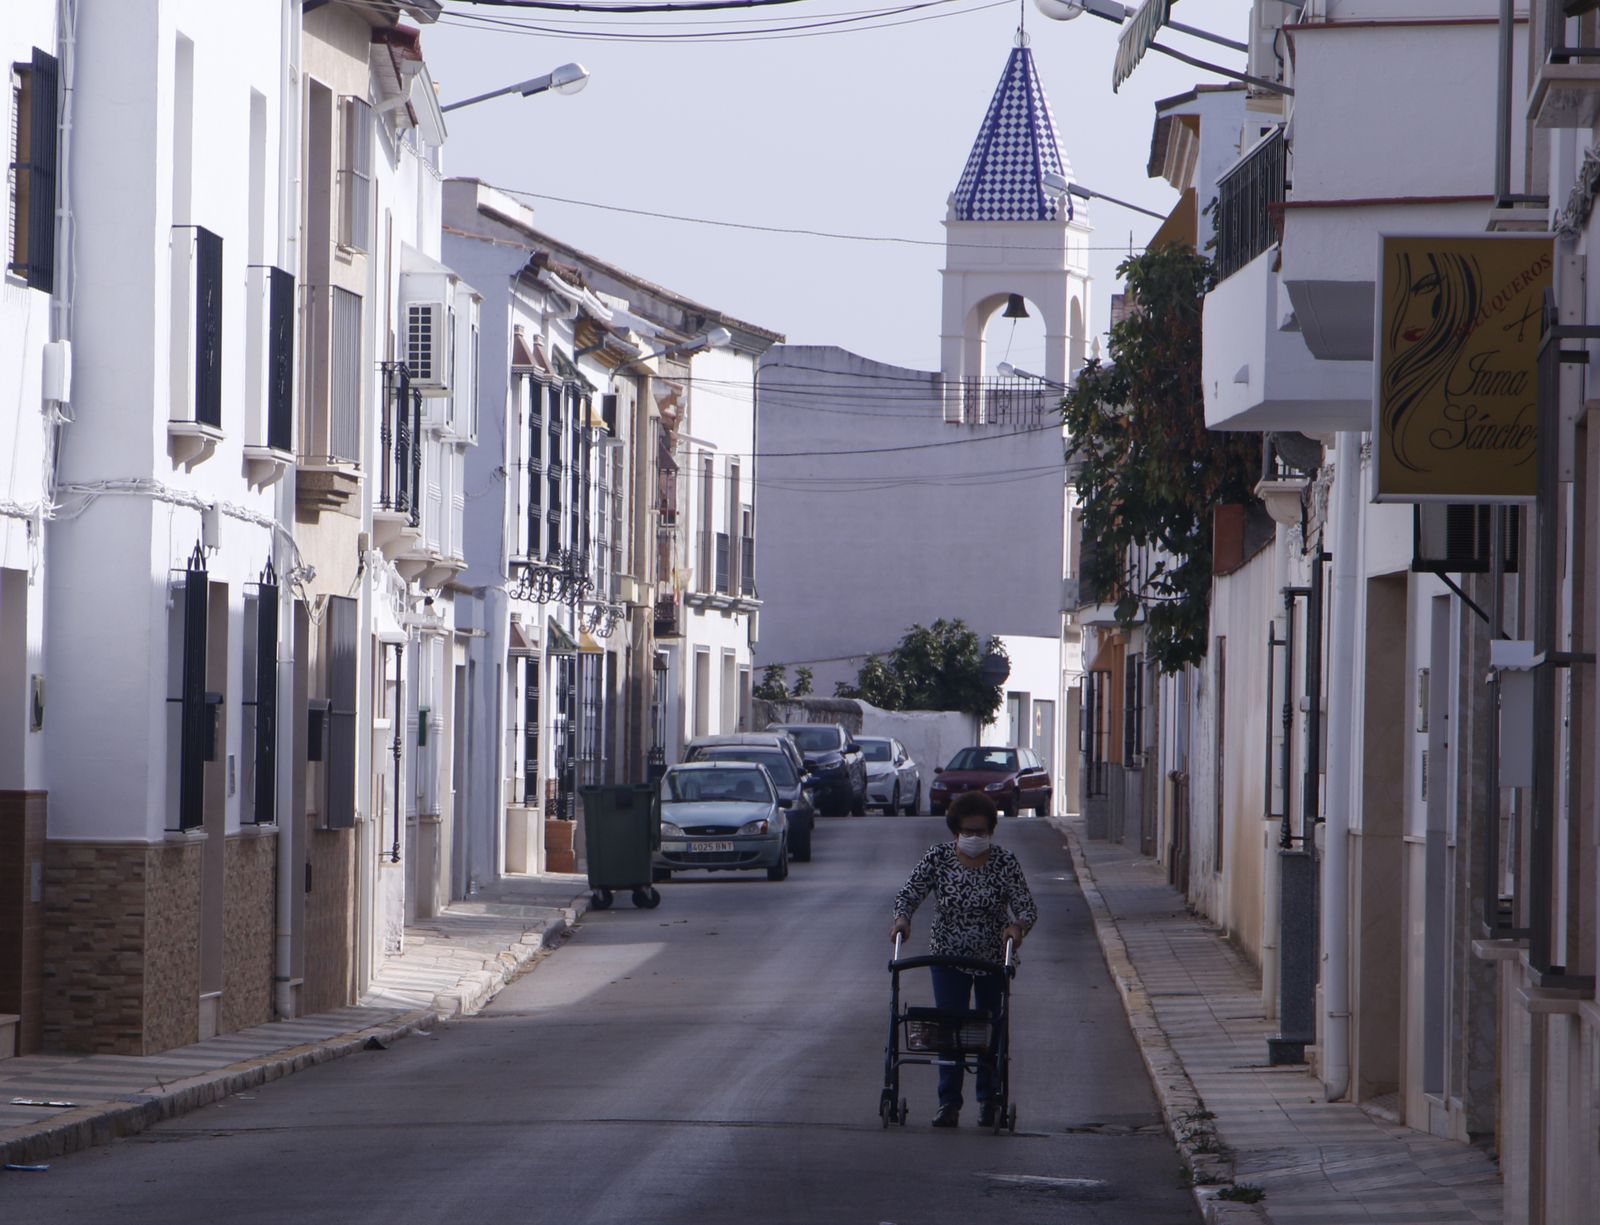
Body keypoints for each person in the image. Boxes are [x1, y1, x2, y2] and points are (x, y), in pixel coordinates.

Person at [890, 790, 1037, 1128]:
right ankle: (949, 1103)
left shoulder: (1004, 862)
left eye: (981, 831)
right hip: (948, 954)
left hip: (992, 957)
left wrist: (1017, 927)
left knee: (989, 1027)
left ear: (991, 831)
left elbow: (1026, 906)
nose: (975, 838)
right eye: (968, 832)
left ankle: (988, 1100)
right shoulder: (938, 858)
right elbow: (910, 893)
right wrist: (902, 919)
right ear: (955, 831)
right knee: (950, 1027)